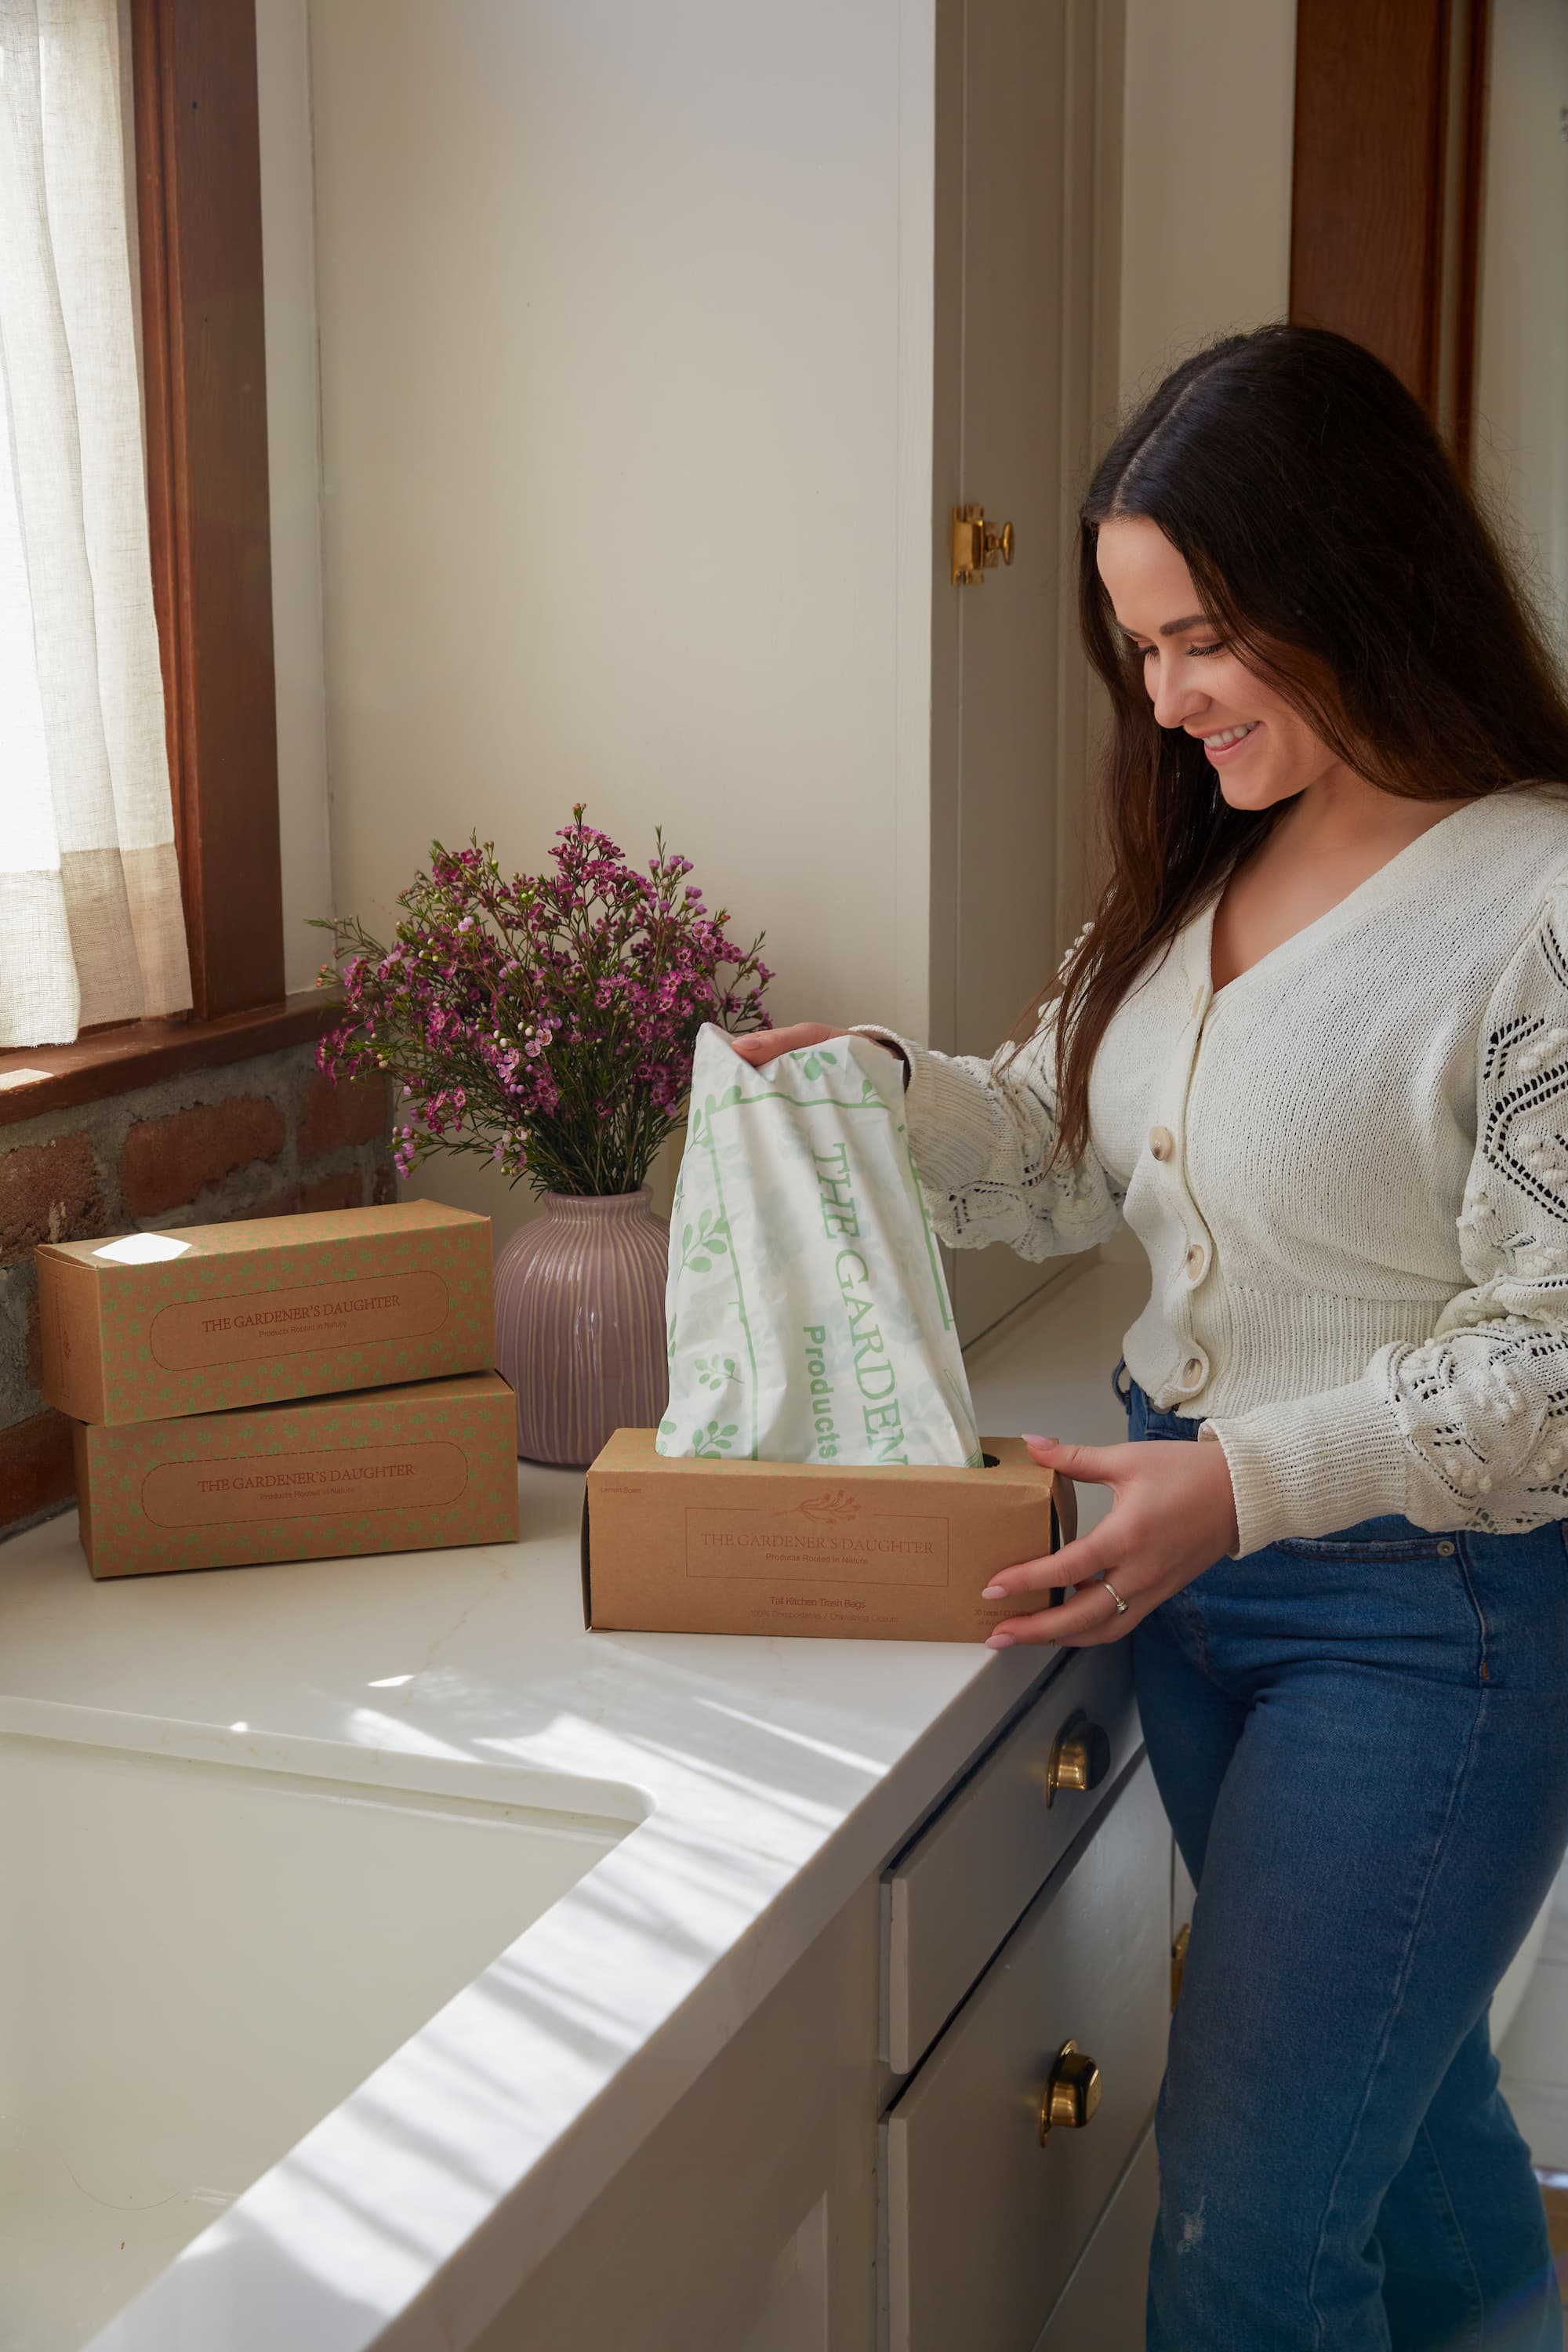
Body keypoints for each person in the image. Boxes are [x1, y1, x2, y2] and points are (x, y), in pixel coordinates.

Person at [732, 324, 1568, 2350]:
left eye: (1204, 638)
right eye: (1137, 648)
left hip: (1423, 1621)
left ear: (1358, 580)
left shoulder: (1537, 901)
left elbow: (1557, 1363)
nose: (1168, 696)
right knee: (1412, 2102)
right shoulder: (1212, 862)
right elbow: (1060, 1135)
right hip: (1186, 1579)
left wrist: (1245, 1487)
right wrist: (870, 1079)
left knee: (1248, 2236)